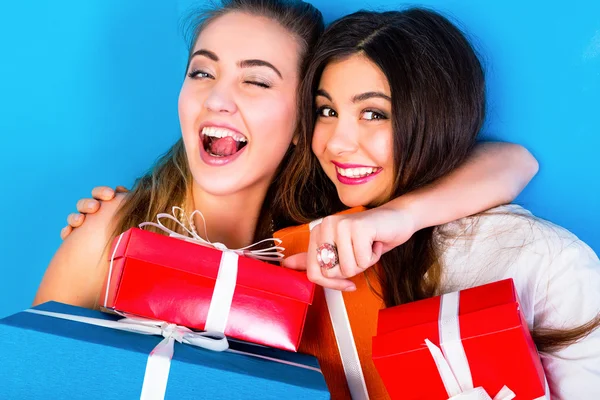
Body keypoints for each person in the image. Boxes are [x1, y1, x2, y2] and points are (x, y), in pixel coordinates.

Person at [43, 1, 540, 398]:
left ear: (304, 124)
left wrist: (397, 217)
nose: (217, 99)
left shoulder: (313, 252)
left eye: (256, 81)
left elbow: (514, 160)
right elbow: (35, 373)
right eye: (202, 72)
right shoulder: (110, 237)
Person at [271, 8, 599, 399]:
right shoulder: (298, 244)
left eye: (374, 113)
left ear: (435, 118)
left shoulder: (545, 263)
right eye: (327, 111)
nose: (337, 143)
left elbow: (518, 160)